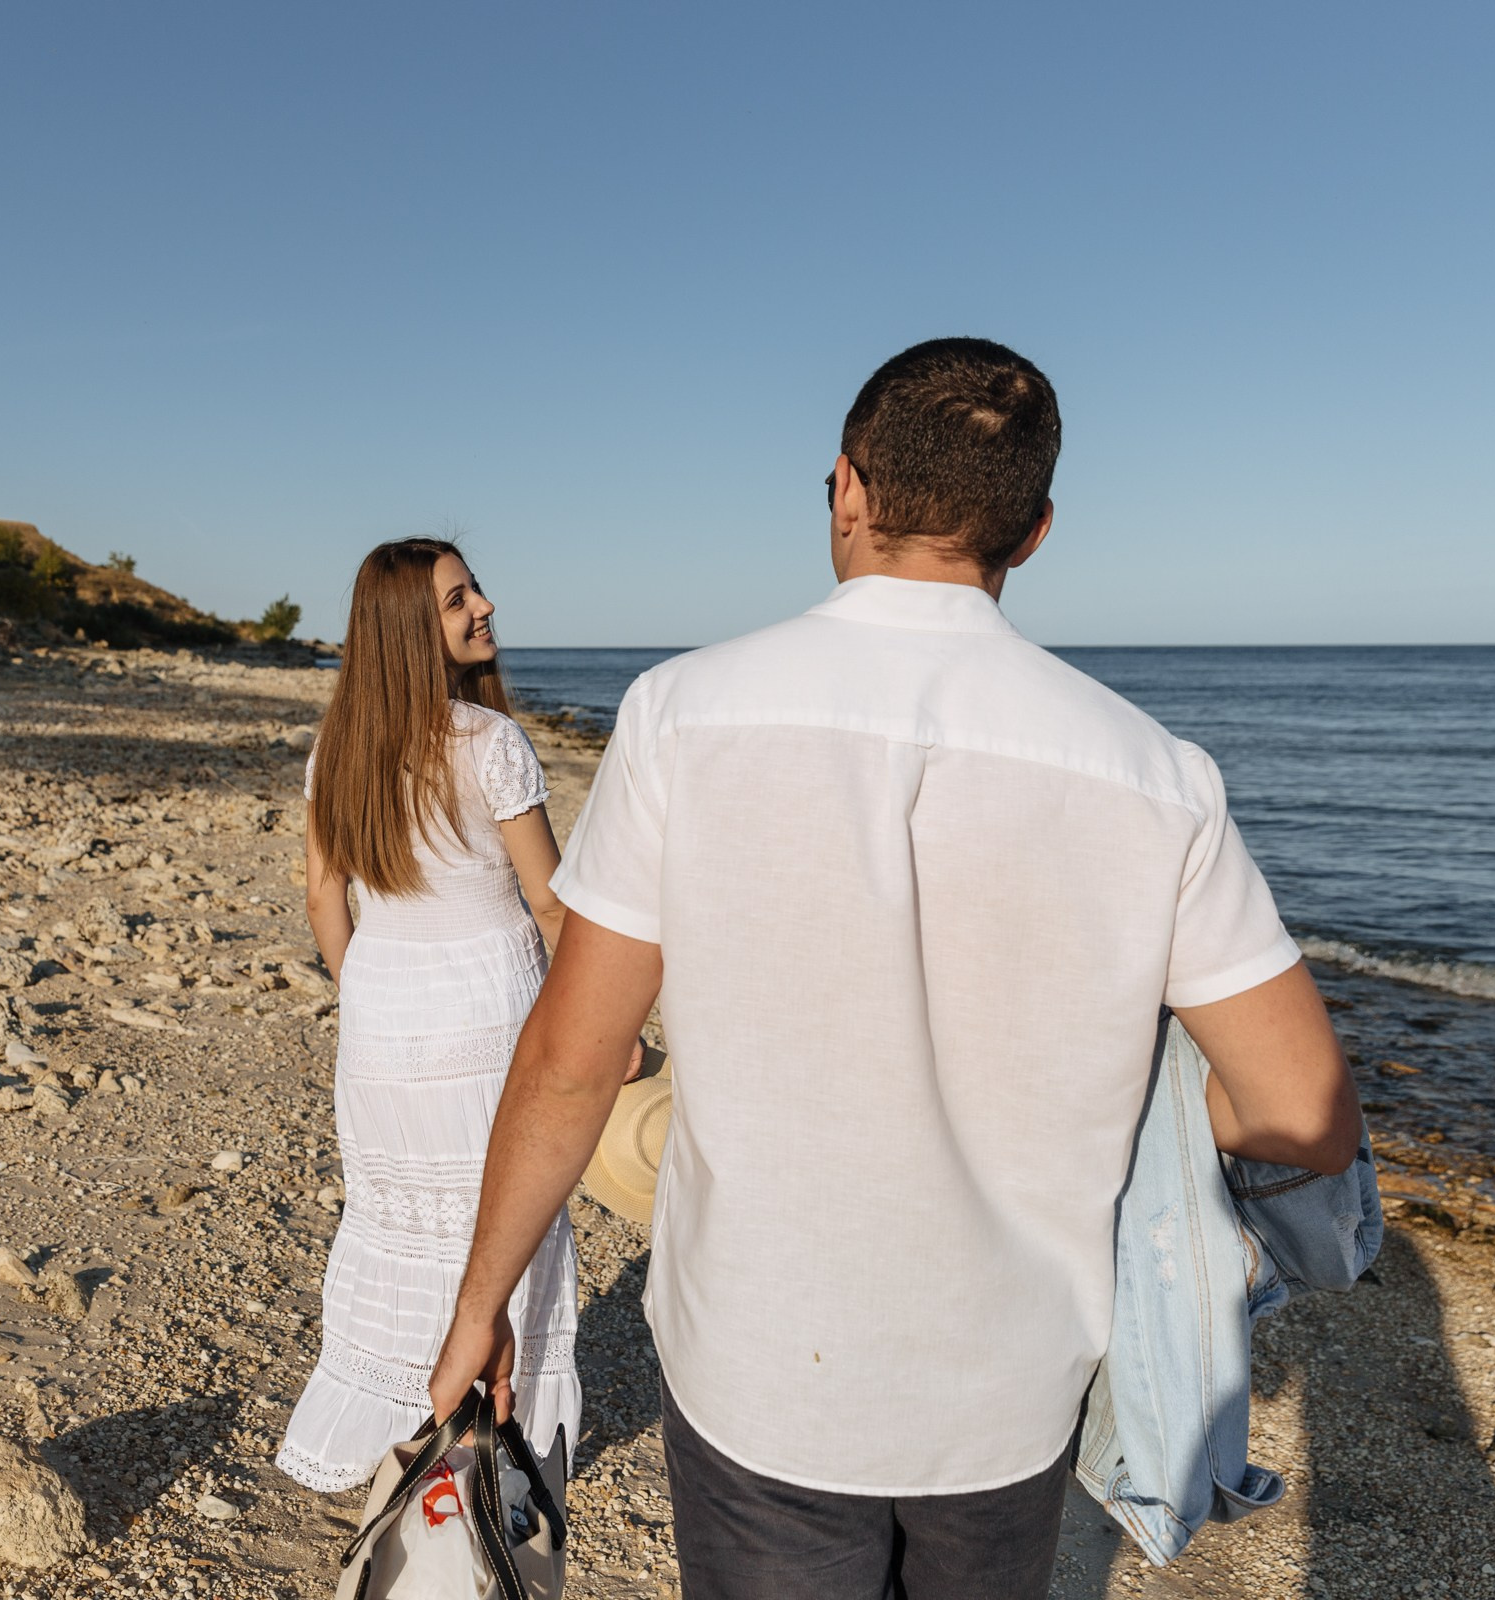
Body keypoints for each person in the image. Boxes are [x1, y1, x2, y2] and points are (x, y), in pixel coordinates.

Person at [428, 339, 1363, 1597]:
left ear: (845, 488)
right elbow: (1301, 1113)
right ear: (1032, 533)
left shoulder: (684, 715)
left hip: (764, 1363)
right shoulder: (1155, 775)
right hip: (1010, 1384)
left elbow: (572, 1056)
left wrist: (480, 1302)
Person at [275, 536, 589, 1492]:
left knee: (395, 1220)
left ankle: (384, 1428)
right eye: (458, 600)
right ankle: (500, 1435)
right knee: (500, 1214)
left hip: (383, 1013)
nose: (484, 605)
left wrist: (364, 988)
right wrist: (598, 1026)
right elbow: (548, 904)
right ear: (413, 628)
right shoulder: (492, 744)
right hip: (489, 1011)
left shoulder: (340, 749)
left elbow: (325, 895)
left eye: (474, 590)